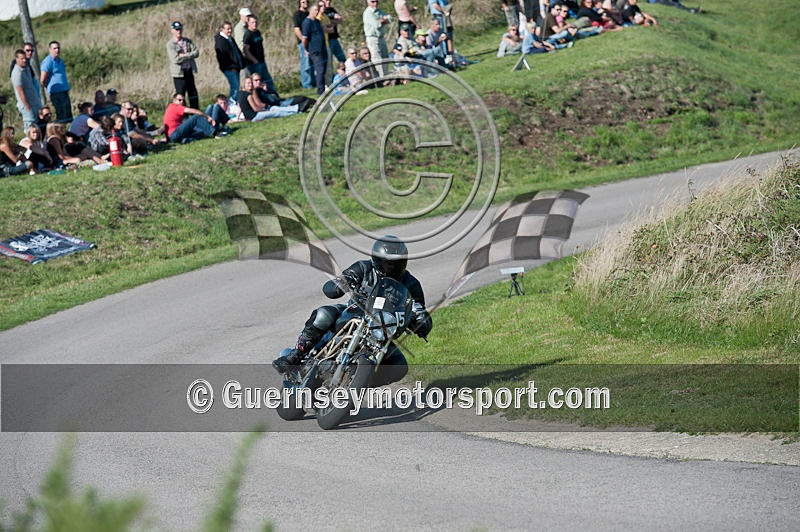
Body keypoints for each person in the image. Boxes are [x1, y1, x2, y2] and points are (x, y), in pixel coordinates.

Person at [272, 236, 433, 387]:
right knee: (323, 314)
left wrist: (420, 319)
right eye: (387, 263)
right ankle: (295, 356)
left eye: (396, 264)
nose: (391, 268)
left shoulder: (411, 284)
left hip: (381, 329)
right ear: (377, 261)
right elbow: (336, 285)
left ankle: (356, 383)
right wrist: (344, 282)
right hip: (354, 313)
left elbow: (420, 311)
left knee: (399, 366)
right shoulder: (364, 268)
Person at [166, 21, 200, 109]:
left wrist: (184, 55)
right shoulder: (170, 44)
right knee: (181, 95)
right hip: (178, 74)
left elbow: (196, 52)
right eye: (176, 29)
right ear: (172, 30)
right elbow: (176, 59)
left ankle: (195, 112)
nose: (179, 31)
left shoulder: (187, 41)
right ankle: (183, 115)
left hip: (189, 70)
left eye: (180, 29)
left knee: (193, 93)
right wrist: (189, 55)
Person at [242, 15, 277, 94]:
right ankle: (261, 97)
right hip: (254, 63)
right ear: (248, 23)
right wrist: (254, 60)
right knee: (258, 82)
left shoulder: (257, 32)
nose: (255, 24)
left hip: (261, 60)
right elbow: (246, 50)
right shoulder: (247, 35)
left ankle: (273, 95)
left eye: (256, 22)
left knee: (267, 80)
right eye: (252, 22)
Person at [40, 41, 72, 123]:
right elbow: (42, 79)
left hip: (64, 91)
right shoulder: (48, 62)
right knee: (61, 116)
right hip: (56, 93)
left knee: (68, 115)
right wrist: (48, 87)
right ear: (50, 49)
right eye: (54, 48)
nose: (57, 50)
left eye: (58, 48)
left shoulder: (60, 60)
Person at [11, 49, 41, 130]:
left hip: (35, 102)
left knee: (39, 125)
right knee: (30, 127)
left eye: (25, 58)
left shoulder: (27, 67)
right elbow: (20, 92)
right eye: (22, 59)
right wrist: (28, 107)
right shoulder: (17, 73)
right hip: (27, 105)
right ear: (17, 59)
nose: (24, 60)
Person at [302, 2, 329, 95]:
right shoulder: (307, 22)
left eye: (318, 10)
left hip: (322, 49)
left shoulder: (317, 21)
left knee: (324, 69)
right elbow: (304, 39)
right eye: (315, 10)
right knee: (320, 70)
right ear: (310, 10)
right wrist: (306, 49)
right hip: (315, 50)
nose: (317, 12)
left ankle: (323, 87)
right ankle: (320, 91)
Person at [215, 21, 244, 100]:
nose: (230, 31)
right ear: (222, 29)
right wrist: (231, 67)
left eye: (231, 29)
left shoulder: (230, 39)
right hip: (230, 68)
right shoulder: (221, 41)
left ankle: (235, 102)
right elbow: (222, 57)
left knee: (236, 87)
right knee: (234, 87)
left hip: (236, 67)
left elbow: (236, 52)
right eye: (228, 29)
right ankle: (231, 104)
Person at [363, 0, 391, 76]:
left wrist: (382, 20)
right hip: (372, 38)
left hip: (381, 37)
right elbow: (376, 25)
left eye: (377, 1)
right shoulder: (368, 13)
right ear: (368, 2)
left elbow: (390, 18)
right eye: (373, 1)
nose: (375, 3)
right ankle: (381, 77)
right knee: (377, 58)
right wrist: (384, 20)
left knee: (385, 56)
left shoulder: (379, 11)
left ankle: (386, 76)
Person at [293, 0, 315, 89]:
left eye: (306, 1)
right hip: (303, 42)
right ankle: (306, 84)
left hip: (311, 42)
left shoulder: (309, 14)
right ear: (299, 3)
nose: (305, 3)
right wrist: (303, 40)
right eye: (303, 2)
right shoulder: (297, 15)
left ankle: (313, 82)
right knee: (305, 64)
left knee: (312, 63)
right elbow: (297, 29)